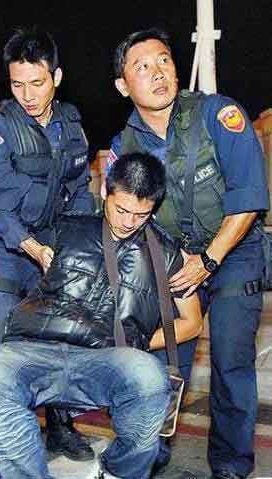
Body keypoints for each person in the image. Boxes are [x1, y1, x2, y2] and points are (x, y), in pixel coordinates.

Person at [0, 153, 203, 479]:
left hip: (106, 359)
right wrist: (34, 252)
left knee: (150, 376)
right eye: (121, 210)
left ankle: (116, 472)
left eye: (141, 214)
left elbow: (192, 322)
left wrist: (134, 341)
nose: (129, 222)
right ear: (105, 192)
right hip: (38, 348)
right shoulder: (65, 227)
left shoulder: (168, 254)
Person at [108, 28, 269, 479]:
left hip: (234, 251)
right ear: (123, 85)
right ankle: (148, 450)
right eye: (142, 66)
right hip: (174, 260)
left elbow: (248, 197)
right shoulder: (123, 148)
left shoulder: (218, 114)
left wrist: (210, 261)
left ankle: (231, 466)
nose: (157, 72)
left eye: (163, 60)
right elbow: (126, 218)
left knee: (231, 362)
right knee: (161, 364)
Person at [0, 26, 95, 461]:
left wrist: (81, 248)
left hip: (53, 245)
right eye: (17, 84)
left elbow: (81, 192)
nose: (27, 95)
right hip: (8, 251)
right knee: (4, 346)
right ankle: (4, 442)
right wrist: (35, 249)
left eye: (37, 83)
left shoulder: (73, 128)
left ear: (56, 77)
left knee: (61, 340)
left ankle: (60, 428)